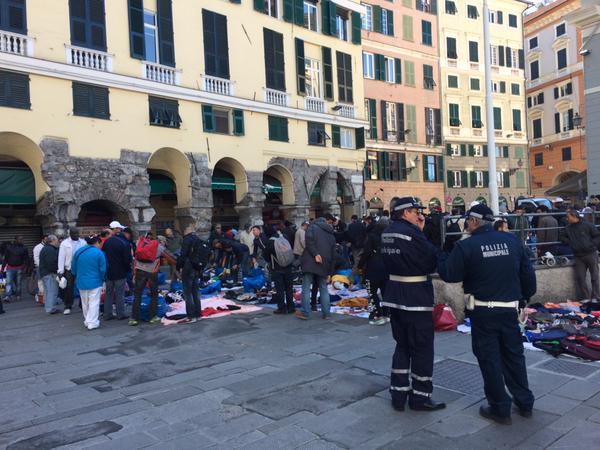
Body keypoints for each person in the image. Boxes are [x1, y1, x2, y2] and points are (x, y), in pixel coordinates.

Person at [438, 203, 536, 425]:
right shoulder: (512, 241)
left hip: (483, 311)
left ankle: (500, 408)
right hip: (509, 309)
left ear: (473, 222)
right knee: (514, 356)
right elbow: (528, 276)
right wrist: (524, 298)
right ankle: (525, 401)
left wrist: (445, 252)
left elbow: (449, 274)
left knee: (489, 359)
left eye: (467, 221)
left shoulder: (468, 246)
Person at [380, 197, 446, 412]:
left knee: (402, 345)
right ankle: (420, 397)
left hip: (394, 295)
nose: (419, 215)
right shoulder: (412, 233)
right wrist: (422, 232)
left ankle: (398, 394)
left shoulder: (387, 232)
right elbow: (430, 258)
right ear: (405, 212)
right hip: (416, 296)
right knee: (422, 348)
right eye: (416, 211)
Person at [295, 214, 336, 320]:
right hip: (324, 264)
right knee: (323, 288)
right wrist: (330, 272)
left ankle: (305, 312)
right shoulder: (331, 234)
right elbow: (333, 254)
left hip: (310, 262)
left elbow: (309, 241)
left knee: (306, 288)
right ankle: (326, 313)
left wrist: (315, 254)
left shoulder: (312, 227)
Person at [562, 208, 600, 300]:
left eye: (568, 217)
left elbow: (597, 236)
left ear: (574, 216)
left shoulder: (588, 225)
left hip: (591, 254)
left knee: (594, 277)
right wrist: (570, 242)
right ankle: (585, 298)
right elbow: (562, 237)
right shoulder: (568, 228)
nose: (567, 219)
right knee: (581, 278)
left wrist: (592, 245)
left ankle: (596, 297)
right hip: (578, 256)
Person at [71, 236, 106, 330]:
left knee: (85, 302)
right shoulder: (99, 253)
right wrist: (103, 279)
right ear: (97, 243)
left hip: (81, 281)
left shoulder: (78, 252)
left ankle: (87, 320)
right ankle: (92, 322)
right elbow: (103, 269)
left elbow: (73, 268)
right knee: (94, 302)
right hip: (95, 281)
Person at [130, 234, 165, 326]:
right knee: (154, 294)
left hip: (140, 271)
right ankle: (152, 317)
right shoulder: (159, 247)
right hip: (152, 272)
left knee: (137, 294)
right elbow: (169, 257)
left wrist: (134, 273)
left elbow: (135, 258)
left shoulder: (140, 244)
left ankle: (134, 318)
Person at [358, 221, 388, 325]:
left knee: (372, 292)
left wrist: (360, 266)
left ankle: (378, 313)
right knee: (385, 292)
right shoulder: (388, 237)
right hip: (386, 267)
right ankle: (387, 313)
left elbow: (366, 252)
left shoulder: (372, 237)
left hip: (373, 268)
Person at [102, 226, 133, 320]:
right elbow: (127, 260)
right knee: (120, 294)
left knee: (109, 293)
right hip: (120, 272)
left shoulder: (108, 241)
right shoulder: (124, 243)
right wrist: (128, 270)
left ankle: (107, 314)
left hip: (108, 272)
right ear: (126, 234)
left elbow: (103, 255)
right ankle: (121, 314)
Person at [177, 225, 204, 324]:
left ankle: (191, 316)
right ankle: (198, 314)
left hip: (188, 268)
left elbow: (183, 255)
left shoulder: (187, 240)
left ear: (186, 230)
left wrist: (178, 267)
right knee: (195, 292)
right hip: (197, 268)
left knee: (188, 293)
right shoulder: (198, 239)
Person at [57, 228, 86, 315]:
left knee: (82, 286)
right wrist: (60, 270)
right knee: (69, 287)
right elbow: (61, 257)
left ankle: (82, 305)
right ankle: (68, 305)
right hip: (69, 268)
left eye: (77, 233)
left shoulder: (83, 242)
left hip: (81, 268)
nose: (77, 235)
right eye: (74, 234)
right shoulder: (65, 243)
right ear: (70, 234)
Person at [2, 235, 29, 303]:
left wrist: (25, 267)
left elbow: (26, 259)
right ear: (16, 240)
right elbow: (6, 259)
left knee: (18, 283)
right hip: (10, 268)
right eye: (20, 239)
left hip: (19, 268)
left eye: (22, 239)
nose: (22, 240)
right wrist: (2, 268)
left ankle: (18, 295)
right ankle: (8, 296)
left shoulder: (24, 248)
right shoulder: (9, 247)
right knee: (8, 283)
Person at [39, 235, 60, 314]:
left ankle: (49, 307)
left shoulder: (46, 248)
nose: (57, 242)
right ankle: (51, 308)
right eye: (57, 241)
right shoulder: (50, 250)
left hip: (45, 273)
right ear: (53, 241)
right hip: (49, 273)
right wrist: (57, 271)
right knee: (52, 291)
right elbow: (51, 263)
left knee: (48, 291)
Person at [347, 215, 367, 283]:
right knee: (361, 261)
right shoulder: (362, 225)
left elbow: (349, 235)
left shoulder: (350, 226)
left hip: (354, 245)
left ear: (352, 219)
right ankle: (360, 277)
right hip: (362, 245)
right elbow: (365, 235)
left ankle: (352, 277)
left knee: (356, 261)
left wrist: (352, 242)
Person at [33, 235, 48, 300]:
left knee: (46, 282)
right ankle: (39, 296)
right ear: (42, 239)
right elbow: (36, 258)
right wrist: (41, 265)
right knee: (40, 282)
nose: (47, 240)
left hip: (47, 267)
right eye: (46, 239)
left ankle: (45, 296)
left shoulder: (48, 246)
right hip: (40, 267)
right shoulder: (37, 247)